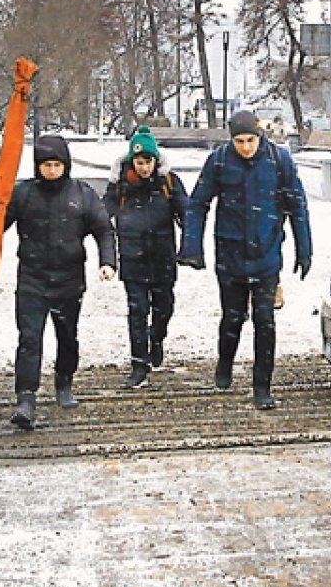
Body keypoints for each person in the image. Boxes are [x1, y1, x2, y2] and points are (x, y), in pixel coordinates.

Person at [177, 110, 312, 410]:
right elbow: (198, 204)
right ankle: (225, 363)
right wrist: (191, 247)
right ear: (231, 139)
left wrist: (305, 249)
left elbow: (297, 206)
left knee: (265, 321)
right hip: (230, 253)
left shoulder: (279, 161)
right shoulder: (220, 160)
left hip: (266, 253)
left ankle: (262, 385)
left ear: (259, 136)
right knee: (232, 317)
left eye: (251, 140)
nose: (246, 147)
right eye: (240, 141)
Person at [0, 135, 116, 430]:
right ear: (37, 166)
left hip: (69, 280)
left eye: (57, 164)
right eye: (46, 165)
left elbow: (103, 230)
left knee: (67, 337)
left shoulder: (82, 194)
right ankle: (26, 396)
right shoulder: (23, 194)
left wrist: (107, 261)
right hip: (32, 278)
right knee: (29, 339)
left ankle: (64, 381)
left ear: (66, 165)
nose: (52, 170)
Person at [103, 126, 188, 389]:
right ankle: (139, 363)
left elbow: (187, 215)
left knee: (164, 307)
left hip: (163, 256)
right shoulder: (120, 186)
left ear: (155, 160)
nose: (144, 168)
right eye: (139, 162)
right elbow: (101, 216)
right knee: (137, 310)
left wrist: (190, 247)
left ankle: (157, 337)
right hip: (133, 257)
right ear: (132, 161)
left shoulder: (168, 183)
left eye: (148, 162)